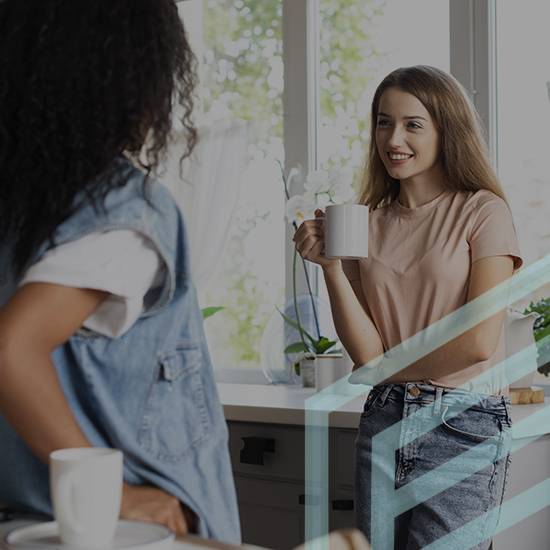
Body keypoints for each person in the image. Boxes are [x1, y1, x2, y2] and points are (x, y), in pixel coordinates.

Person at [0, 0, 240, 543]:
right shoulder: (126, 208)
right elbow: (11, 349)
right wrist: (115, 494)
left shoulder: (19, 211)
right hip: (130, 530)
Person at [294, 65, 521, 549]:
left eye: (413, 124)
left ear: (447, 130)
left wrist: (385, 369)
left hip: (463, 424)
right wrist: (331, 268)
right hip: (383, 420)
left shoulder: (483, 210)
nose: (393, 138)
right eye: (383, 122)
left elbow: (478, 343)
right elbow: (365, 352)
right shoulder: (365, 225)